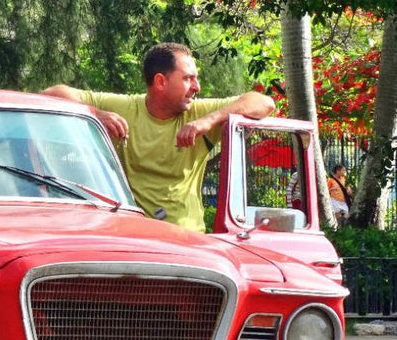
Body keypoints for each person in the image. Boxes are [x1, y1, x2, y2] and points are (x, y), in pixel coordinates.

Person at [43, 42, 275, 232]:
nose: (197, 86)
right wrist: (94, 115)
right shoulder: (125, 107)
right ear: (160, 82)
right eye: (188, 78)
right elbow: (51, 95)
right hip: (128, 234)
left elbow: (264, 103)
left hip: (186, 239)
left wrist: (208, 121)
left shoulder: (198, 112)